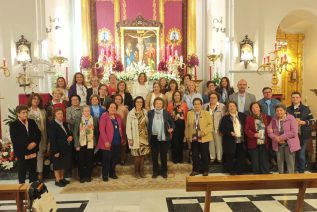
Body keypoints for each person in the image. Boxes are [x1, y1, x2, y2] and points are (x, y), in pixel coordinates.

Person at [10, 105, 41, 184]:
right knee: (22, 171)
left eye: (26, 112)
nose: (25, 114)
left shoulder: (32, 122)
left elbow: (38, 134)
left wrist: (34, 143)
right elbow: (15, 140)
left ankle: (33, 189)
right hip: (21, 152)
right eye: (23, 113)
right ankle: (22, 189)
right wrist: (27, 146)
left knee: (33, 171)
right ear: (18, 114)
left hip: (33, 150)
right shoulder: (13, 125)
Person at [287, 92, 315, 173]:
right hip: (292, 135)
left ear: (300, 98)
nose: (295, 99)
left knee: (301, 154)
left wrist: (304, 122)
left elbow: (312, 121)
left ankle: (301, 171)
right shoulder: (287, 109)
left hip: (304, 135)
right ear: (291, 99)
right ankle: (293, 170)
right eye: (293, 97)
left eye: (297, 97)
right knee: (292, 154)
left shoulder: (306, 109)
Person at [268, 104, 300, 174]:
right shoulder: (274, 119)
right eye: (277, 111)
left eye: (281, 110)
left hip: (289, 144)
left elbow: (294, 132)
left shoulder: (291, 118)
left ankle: (291, 179)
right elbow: (269, 131)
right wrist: (276, 138)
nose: (279, 112)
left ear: (285, 111)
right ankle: (281, 180)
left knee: (290, 164)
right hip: (278, 144)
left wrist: (280, 137)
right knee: (280, 163)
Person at [98, 102, 126, 181]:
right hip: (107, 143)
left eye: (114, 107)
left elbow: (122, 128)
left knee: (114, 159)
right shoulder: (104, 116)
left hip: (117, 142)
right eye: (111, 107)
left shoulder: (118, 116)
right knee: (106, 160)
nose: (113, 109)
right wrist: (106, 141)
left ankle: (112, 173)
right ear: (107, 108)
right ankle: (105, 175)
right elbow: (102, 130)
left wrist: (123, 138)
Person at [148, 97, 174, 178]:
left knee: (163, 156)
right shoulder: (150, 113)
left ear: (162, 104)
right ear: (154, 104)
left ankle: (164, 171)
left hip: (164, 137)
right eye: (156, 103)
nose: (158, 105)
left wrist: (172, 128)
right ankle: (155, 171)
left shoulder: (166, 113)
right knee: (154, 156)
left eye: (160, 103)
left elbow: (172, 123)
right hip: (153, 137)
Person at [186, 98, 213, 176]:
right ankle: (195, 170)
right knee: (195, 154)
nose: (196, 105)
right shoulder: (189, 113)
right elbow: (187, 126)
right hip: (194, 137)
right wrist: (187, 136)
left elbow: (210, 125)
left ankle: (205, 170)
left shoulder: (206, 113)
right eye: (195, 104)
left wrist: (203, 132)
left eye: (198, 104)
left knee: (204, 154)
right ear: (193, 105)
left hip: (204, 137)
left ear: (201, 105)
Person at [219, 101, 247, 175]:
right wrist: (230, 133)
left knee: (240, 156)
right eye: (230, 106)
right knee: (230, 156)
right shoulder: (225, 118)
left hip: (241, 140)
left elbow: (246, 126)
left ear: (236, 107)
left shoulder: (242, 115)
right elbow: (222, 129)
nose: (232, 107)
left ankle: (240, 171)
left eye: (233, 106)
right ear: (228, 108)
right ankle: (231, 171)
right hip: (230, 140)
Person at [73, 106, 99, 183]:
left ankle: (88, 176)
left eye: (88, 111)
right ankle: (81, 176)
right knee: (81, 160)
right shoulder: (79, 119)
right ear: (82, 112)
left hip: (91, 143)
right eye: (85, 111)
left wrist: (96, 143)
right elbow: (75, 133)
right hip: (81, 143)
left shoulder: (94, 119)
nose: (87, 112)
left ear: (90, 112)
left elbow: (97, 132)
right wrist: (77, 144)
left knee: (90, 160)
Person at [126, 96, 150, 178]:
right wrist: (130, 138)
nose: (139, 103)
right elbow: (128, 127)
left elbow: (148, 124)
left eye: (141, 102)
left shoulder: (145, 112)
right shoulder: (131, 113)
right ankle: (136, 172)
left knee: (142, 155)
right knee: (136, 155)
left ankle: (142, 171)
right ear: (135, 103)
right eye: (137, 102)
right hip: (135, 137)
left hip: (144, 137)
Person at [244, 102, 271, 174]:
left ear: (259, 108)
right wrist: (254, 134)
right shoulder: (249, 118)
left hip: (264, 142)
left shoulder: (266, 117)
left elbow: (271, 127)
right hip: (253, 142)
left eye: (256, 107)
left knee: (264, 159)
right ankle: (257, 175)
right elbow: (246, 130)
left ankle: (265, 173)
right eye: (253, 108)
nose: (255, 109)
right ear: (251, 110)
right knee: (255, 160)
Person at [48, 108, 73, 187]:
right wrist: (55, 151)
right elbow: (52, 139)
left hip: (65, 148)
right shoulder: (52, 124)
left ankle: (62, 178)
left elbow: (68, 133)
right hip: (57, 149)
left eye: (61, 114)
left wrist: (70, 136)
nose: (60, 115)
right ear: (55, 115)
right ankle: (57, 180)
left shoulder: (64, 123)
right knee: (57, 165)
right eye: (58, 113)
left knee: (63, 164)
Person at [27, 93, 47, 180]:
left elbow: (45, 125)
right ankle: (32, 173)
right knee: (32, 154)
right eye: (34, 99)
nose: (36, 100)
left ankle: (40, 173)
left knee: (40, 154)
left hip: (42, 135)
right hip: (31, 137)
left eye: (38, 99)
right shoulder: (27, 111)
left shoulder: (43, 111)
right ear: (31, 100)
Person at [203, 91, 225, 163]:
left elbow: (223, 118)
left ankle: (219, 158)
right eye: (211, 98)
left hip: (218, 128)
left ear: (217, 98)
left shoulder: (222, 106)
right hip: (208, 129)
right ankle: (212, 157)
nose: (212, 99)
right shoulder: (205, 106)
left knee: (219, 143)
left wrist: (221, 129)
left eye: (214, 98)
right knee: (211, 143)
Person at [167, 91, 188, 163]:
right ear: (173, 97)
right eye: (175, 95)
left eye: (178, 95)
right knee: (174, 142)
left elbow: (186, 116)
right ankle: (174, 159)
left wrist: (186, 127)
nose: (176, 97)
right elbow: (168, 116)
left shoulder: (184, 105)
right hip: (173, 124)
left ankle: (180, 159)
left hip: (181, 125)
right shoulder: (170, 105)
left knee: (180, 141)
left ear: (180, 96)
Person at [114, 94, 129, 165]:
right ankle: (115, 158)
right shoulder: (112, 107)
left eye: (119, 99)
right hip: (114, 128)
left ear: (121, 100)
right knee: (115, 144)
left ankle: (122, 159)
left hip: (123, 127)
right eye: (116, 99)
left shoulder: (124, 108)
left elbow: (127, 118)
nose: (118, 100)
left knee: (123, 144)